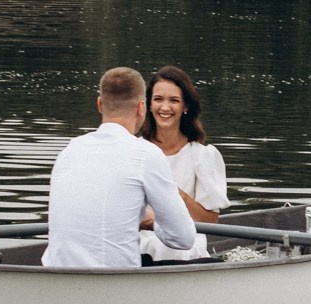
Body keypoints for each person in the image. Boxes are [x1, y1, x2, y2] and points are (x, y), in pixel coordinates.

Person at [44, 66, 197, 269]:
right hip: (114, 283)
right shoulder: (146, 154)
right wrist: (151, 222)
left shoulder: (69, 150)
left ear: (100, 104)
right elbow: (184, 238)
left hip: (54, 274)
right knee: (211, 262)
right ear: (142, 107)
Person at [136, 65, 230, 264]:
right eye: (158, 99)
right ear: (149, 105)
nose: (165, 107)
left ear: (186, 107)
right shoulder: (135, 150)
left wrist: (173, 193)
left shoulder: (201, 155)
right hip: (139, 242)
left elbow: (210, 221)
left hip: (185, 245)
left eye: (174, 101)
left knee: (166, 247)